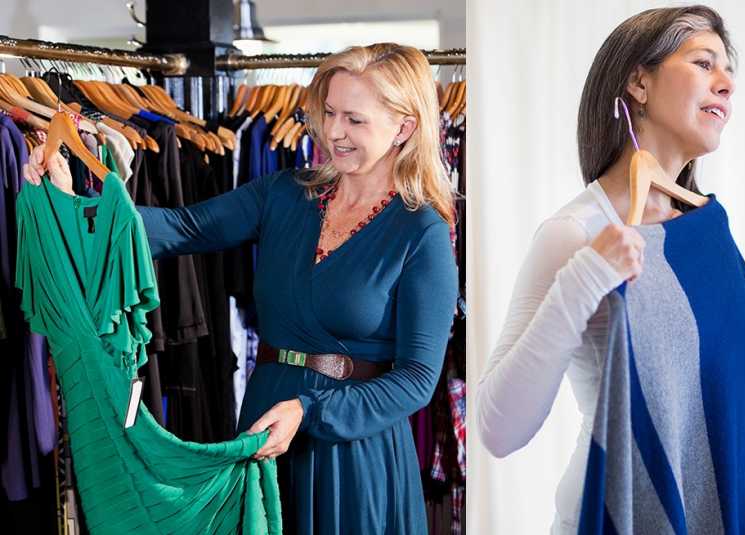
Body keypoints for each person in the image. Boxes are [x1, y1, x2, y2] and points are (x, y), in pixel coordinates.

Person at [23, 43, 457, 535]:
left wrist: (311, 410)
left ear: (404, 127)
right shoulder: (284, 194)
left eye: (355, 120)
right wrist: (76, 203)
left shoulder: (420, 231)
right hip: (264, 423)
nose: (334, 132)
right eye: (330, 112)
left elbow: (418, 379)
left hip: (352, 449)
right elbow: (185, 227)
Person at [475, 6, 745, 534]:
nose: (726, 84)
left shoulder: (708, 232)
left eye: (729, 73)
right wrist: (583, 280)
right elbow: (498, 430)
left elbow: (692, 407)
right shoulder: (575, 232)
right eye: (704, 64)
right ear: (639, 81)